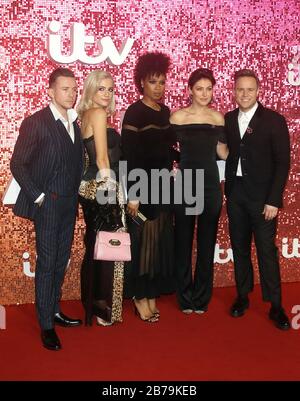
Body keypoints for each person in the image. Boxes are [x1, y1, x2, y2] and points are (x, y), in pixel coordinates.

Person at [10, 68, 84, 351]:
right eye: (65, 89)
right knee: (47, 263)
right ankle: (46, 325)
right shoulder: (36, 122)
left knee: (60, 261)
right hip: (48, 203)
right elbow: (18, 163)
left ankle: (53, 309)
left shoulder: (73, 122)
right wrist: (38, 196)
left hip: (68, 203)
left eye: (74, 89)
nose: (71, 93)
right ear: (50, 91)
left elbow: (74, 163)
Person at [224, 69, 291, 330]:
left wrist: (274, 200)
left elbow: (282, 162)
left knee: (266, 251)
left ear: (258, 91)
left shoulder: (274, 120)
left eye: (250, 89)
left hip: (264, 200)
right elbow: (227, 152)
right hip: (236, 194)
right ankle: (242, 297)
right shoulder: (228, 119)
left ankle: (276, 306)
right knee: (239, 249)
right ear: (234, 91)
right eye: (240, 89)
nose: (244, 94)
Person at [121, 52, 176, 322]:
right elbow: (129, 157)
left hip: (164, 187)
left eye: (162, 82)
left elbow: (169, 149)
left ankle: (151, 293)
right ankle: (139, 297)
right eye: (153, 82)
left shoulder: (165, 112)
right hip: (142, 189)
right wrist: (133, 194)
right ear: (142, 82)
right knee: (143, 246)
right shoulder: (134, 112)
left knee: (159, 245)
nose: (158, 87)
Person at [170, 68, 228, 314]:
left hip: (210, 187)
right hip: (184, 186)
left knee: (206, 244)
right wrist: (173, 168)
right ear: (190, 90)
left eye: (209, 88)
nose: (205, 93)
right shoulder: (177, 118)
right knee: (182, 242)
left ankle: (201, 298)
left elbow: (223, 153)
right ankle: (185, 298)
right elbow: (167, 149)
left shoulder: (218, 118)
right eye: (199, 88)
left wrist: (251, 160)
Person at [77, 70, 124, 327]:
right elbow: (102, 158)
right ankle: (103, 308)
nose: (107, 94)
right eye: (101, 89)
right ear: (91, 91)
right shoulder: (97, 114)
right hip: (101, 187)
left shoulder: (84, 115)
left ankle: (92, 304)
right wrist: (112, 192)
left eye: (111, 89)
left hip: (88, 188)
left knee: (95, 246)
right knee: (109, 246)